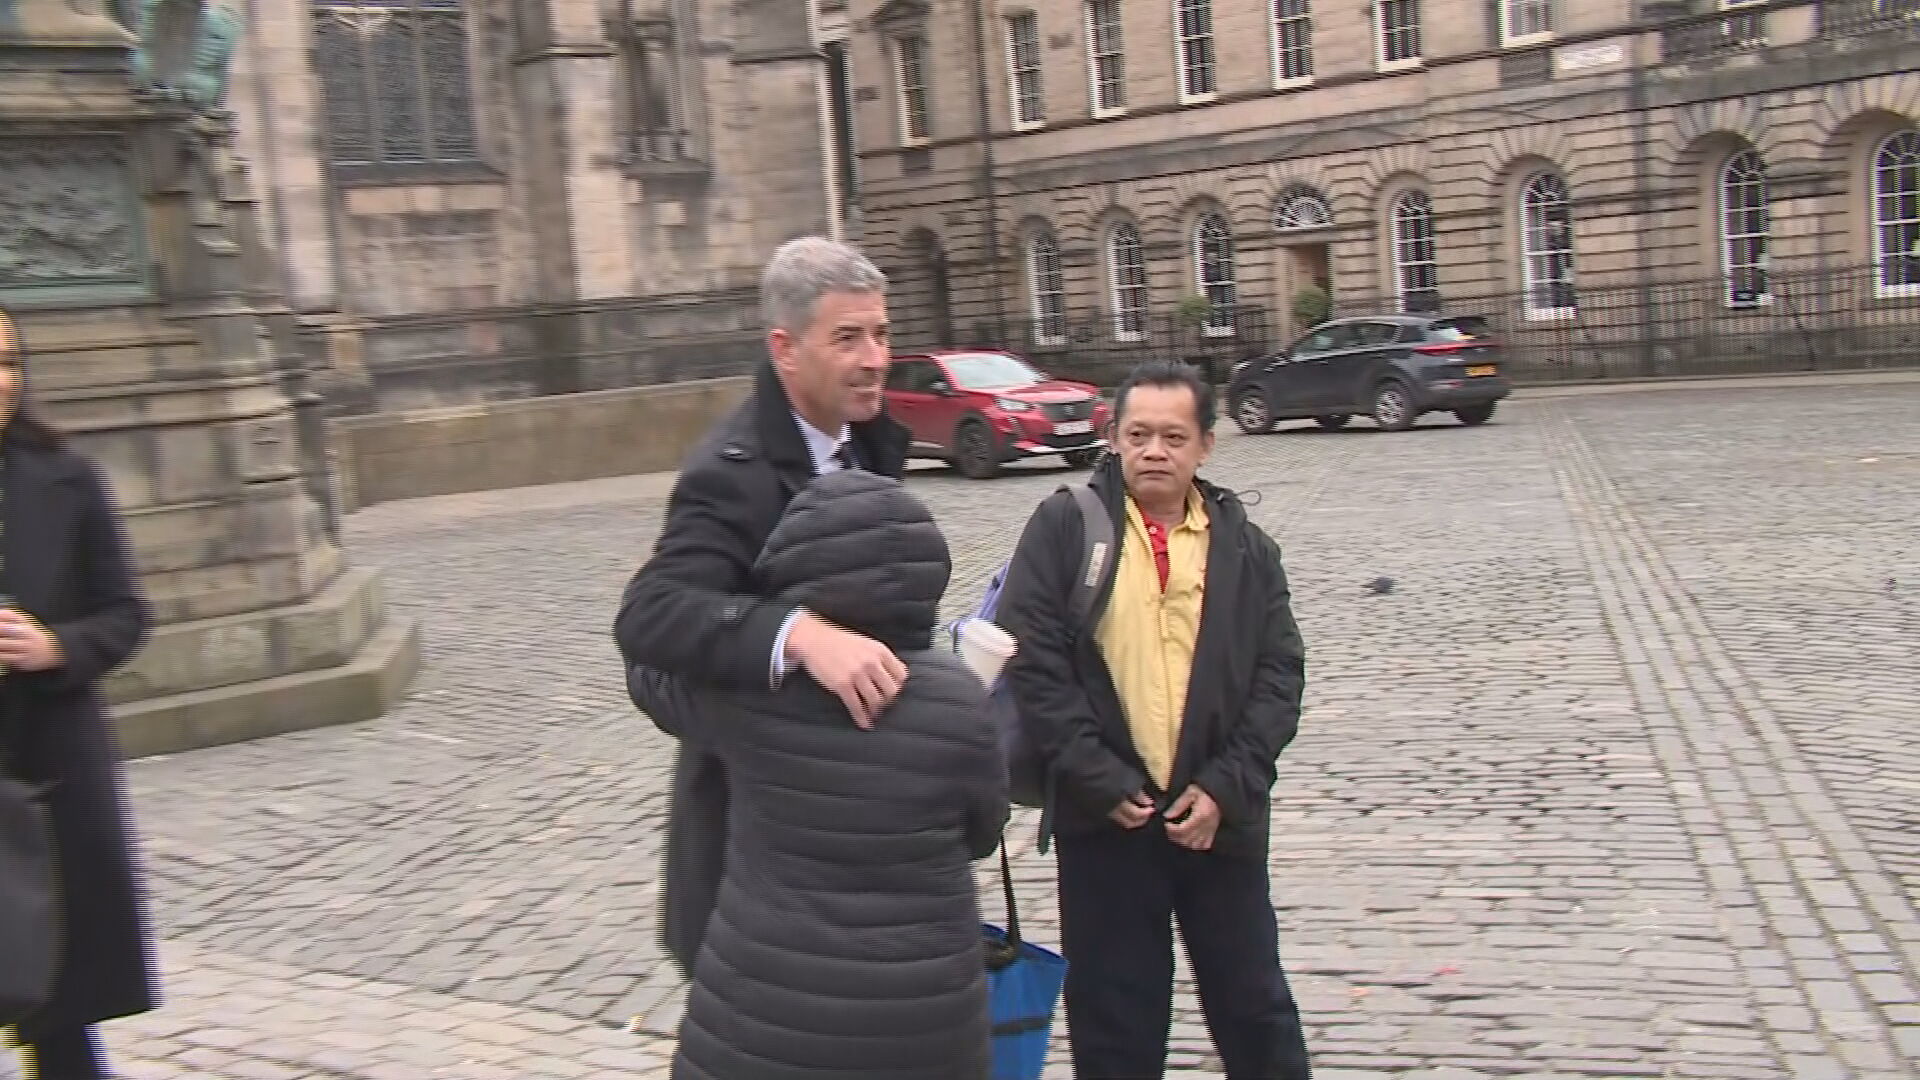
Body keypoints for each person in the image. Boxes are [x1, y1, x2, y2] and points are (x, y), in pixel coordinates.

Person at [997, 360, 1313, 1080]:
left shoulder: (1245, 547)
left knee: (1255, 1010)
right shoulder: (1066, 528)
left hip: (1218, 823)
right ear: (1113, 436)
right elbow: (1034, 660)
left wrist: (1228, 785)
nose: (1154, 451)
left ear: (1205, 445)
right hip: (1108, 823)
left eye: (1174, 436)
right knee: (1117, 1026)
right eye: (1138, 434)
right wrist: (1098, 777)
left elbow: (1278, 674)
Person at [613, 237, 912, 974]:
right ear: (785, 347)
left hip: (859, 835)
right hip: (755, 857)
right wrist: (798, 634)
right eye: (848, 338)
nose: (875, 356)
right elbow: (650, 615)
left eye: (880, 332)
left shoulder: (871, 444)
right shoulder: (730, 471)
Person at [652, 469, 1006, 1080]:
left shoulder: (746, 689)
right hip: (923, 1020)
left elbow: (653, 663)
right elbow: (980, 833)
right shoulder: (962, 698)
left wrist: (772, 632)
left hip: (761, 1013)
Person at [0, 309, 157, 1080]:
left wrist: (59, 646)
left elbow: (126, 612)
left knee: (58, 1015)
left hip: (48, 773)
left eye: (5, 362)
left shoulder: (67, 476)